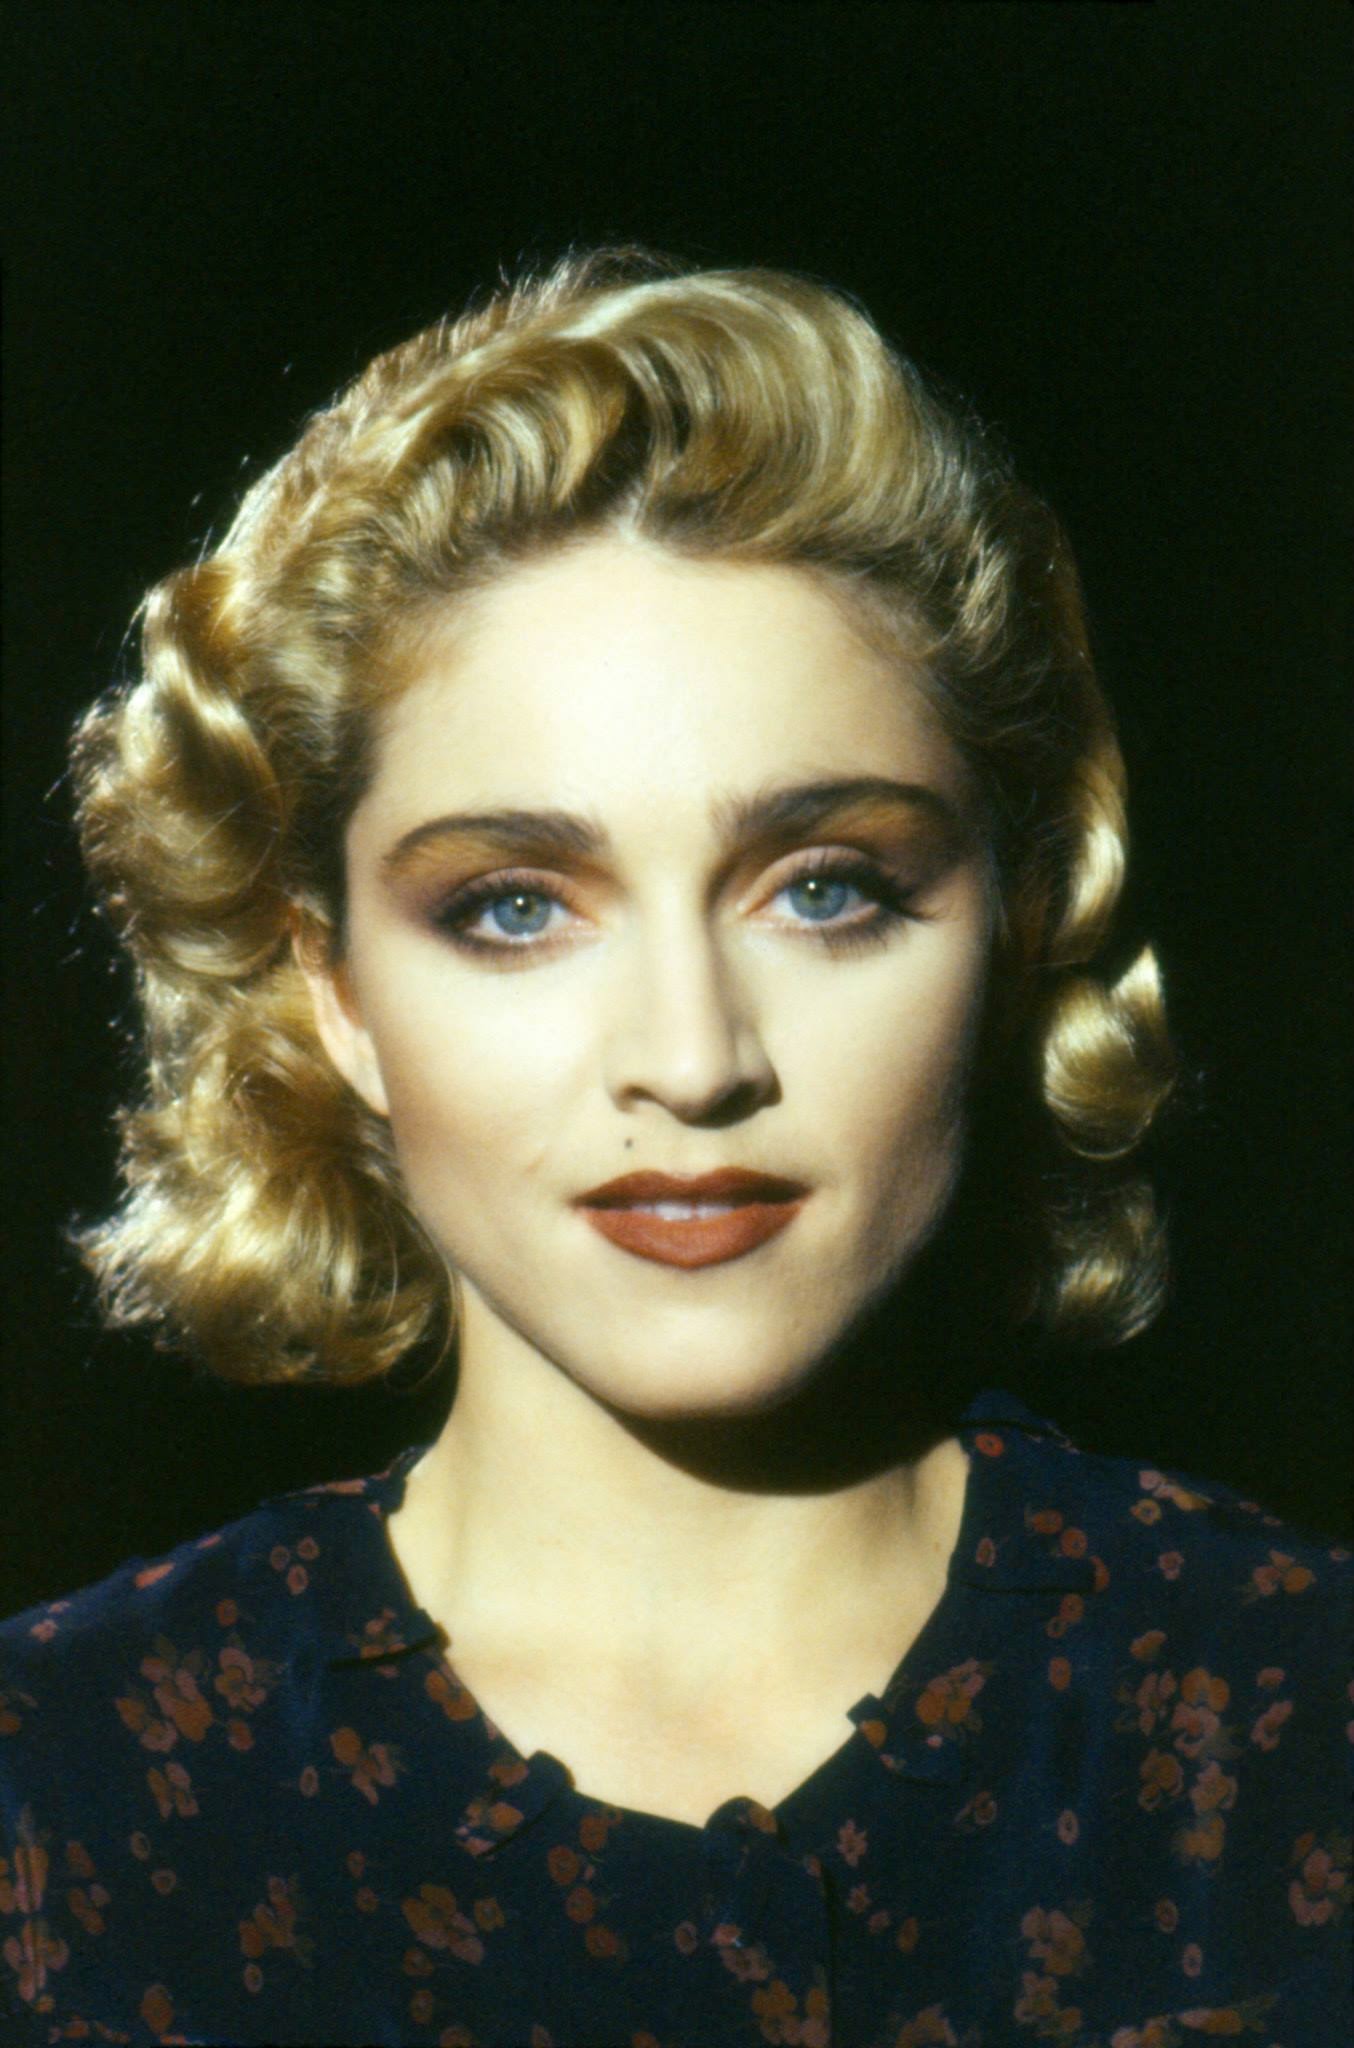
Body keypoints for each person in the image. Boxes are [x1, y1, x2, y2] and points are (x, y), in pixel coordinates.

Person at [1, 247, 1347, 2048]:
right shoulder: (54, 1792)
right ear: (332, 992)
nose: (693, 1062)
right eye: (511, 908)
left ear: (1014, 926)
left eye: (825, 889)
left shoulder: (1297, 1709)